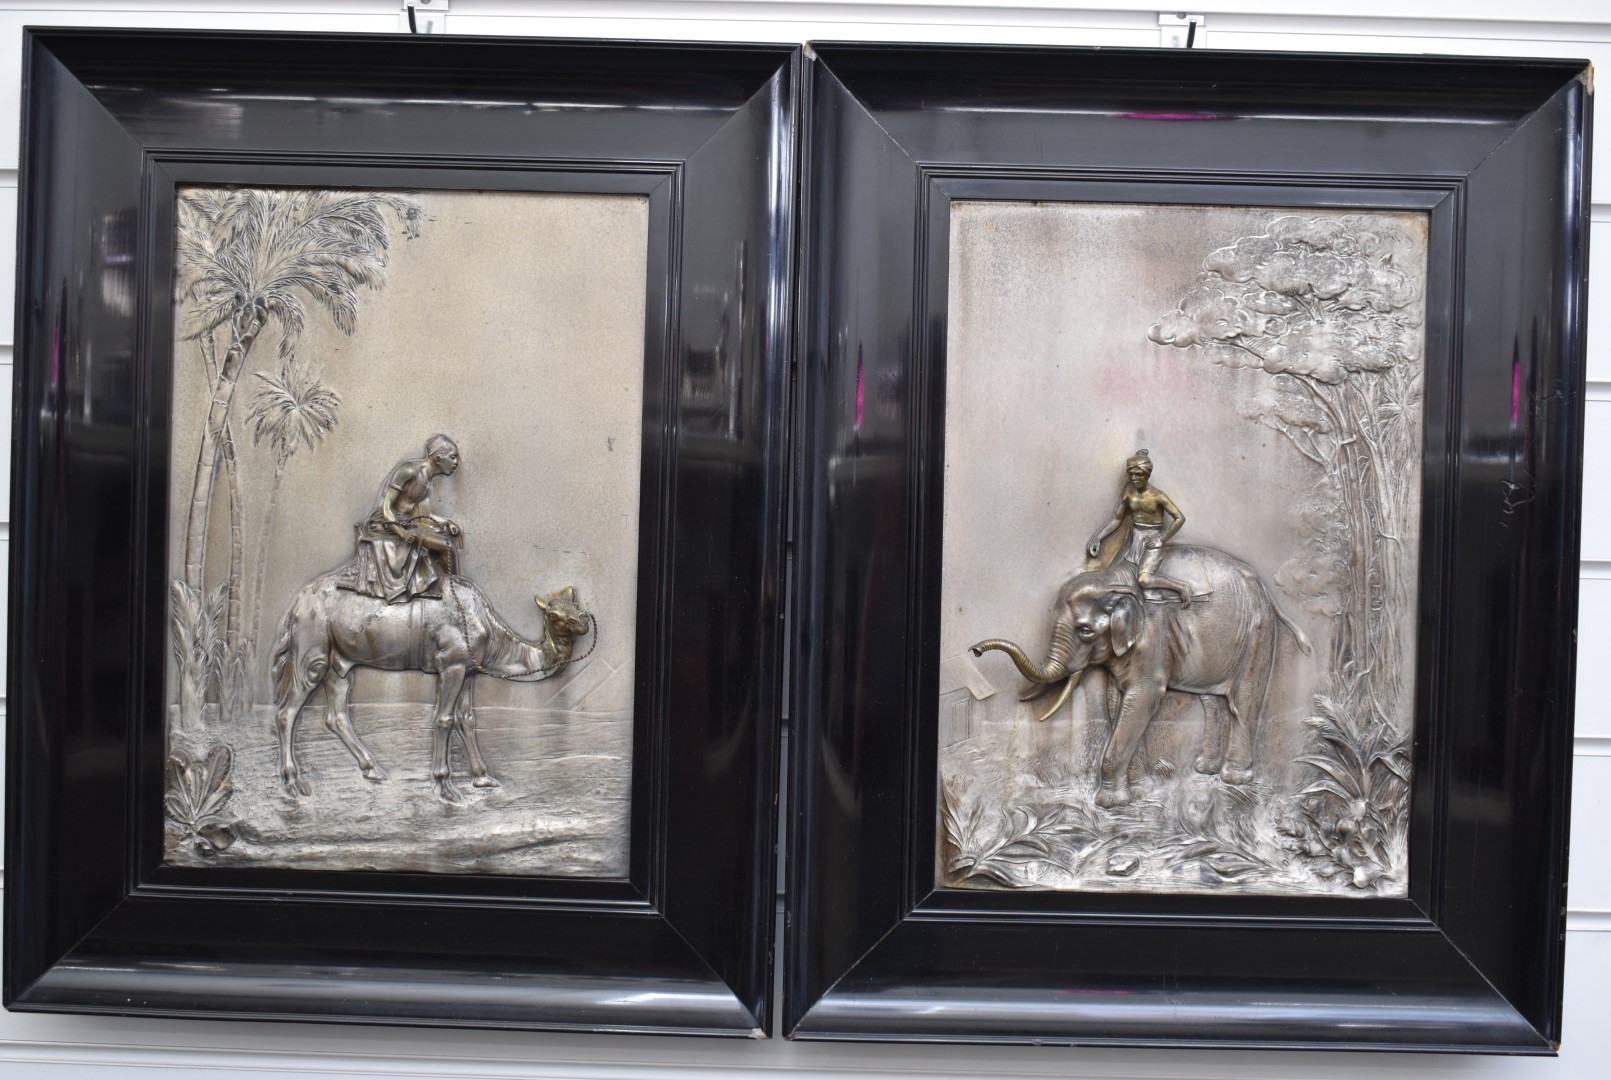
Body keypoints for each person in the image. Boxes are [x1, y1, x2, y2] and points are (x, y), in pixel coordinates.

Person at [339, 434, 463, 603]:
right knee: (446, 547)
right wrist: (401, 532)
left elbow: (425, 516)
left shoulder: (428, 481)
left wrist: (447, 523)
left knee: (448, 542)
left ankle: (452, 591)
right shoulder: (409, 470)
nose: (457, 462)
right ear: (439, 457)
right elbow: (385, 506)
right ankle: (455, 595)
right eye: (453, 457)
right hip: (385, 523)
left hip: (408, 523)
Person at [1085, 449, 1194, 605]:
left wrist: (1161, 539)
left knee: (1144, 579)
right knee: (1115, 575)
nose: (1134, 479)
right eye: (1131, 475)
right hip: (1135, 538)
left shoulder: (1158, 496)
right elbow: (1116, 519)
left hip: (1152, 539)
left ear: (1147, 475)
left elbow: (1179, 518)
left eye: (1139, 475)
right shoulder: (1128, 492)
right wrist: (1098, 538)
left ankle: (1182, 587)